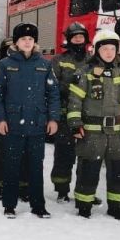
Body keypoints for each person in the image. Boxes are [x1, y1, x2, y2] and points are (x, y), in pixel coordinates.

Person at [66, 30, 120, 220]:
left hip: (119, 134)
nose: (108, 52)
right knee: (88, 170)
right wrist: (75, 124)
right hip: (92, 133)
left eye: (112, 49)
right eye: (104, 49)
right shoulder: (85, 73)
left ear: (117, 50)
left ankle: (117, 207)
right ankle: (84, 206)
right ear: (96, 51)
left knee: (119, 172)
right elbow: (74, 101)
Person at [0, 22, 60, 218]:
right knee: (11, 166)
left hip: (37, 124)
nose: (27, 42)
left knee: (36, 167)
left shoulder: (44, 65)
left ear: (34, 42)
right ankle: (9, 205)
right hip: (13, 125)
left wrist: (53, 119)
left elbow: (53, 94)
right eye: (23, 39)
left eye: (30, 39)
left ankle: (38, 206)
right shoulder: (5, 65)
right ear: (16, 42)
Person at [49, 22, 91, 202]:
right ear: (69, 40)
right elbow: (51, 86)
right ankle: (62, 189)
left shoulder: (93, 59)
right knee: (64, 154)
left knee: (88, 156)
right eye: (75, 37)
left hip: (88, 116)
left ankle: (85, 190)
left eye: (81, 37)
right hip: (64, 115)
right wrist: (71, 85)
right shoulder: (59, 60)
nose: (78, 40)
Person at [0, 37, 28, 201]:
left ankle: (23, 187)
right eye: (7, 50)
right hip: (1, 122)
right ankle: (1, 187)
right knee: (2, 156)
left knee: (24, 156)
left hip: (23, 122)